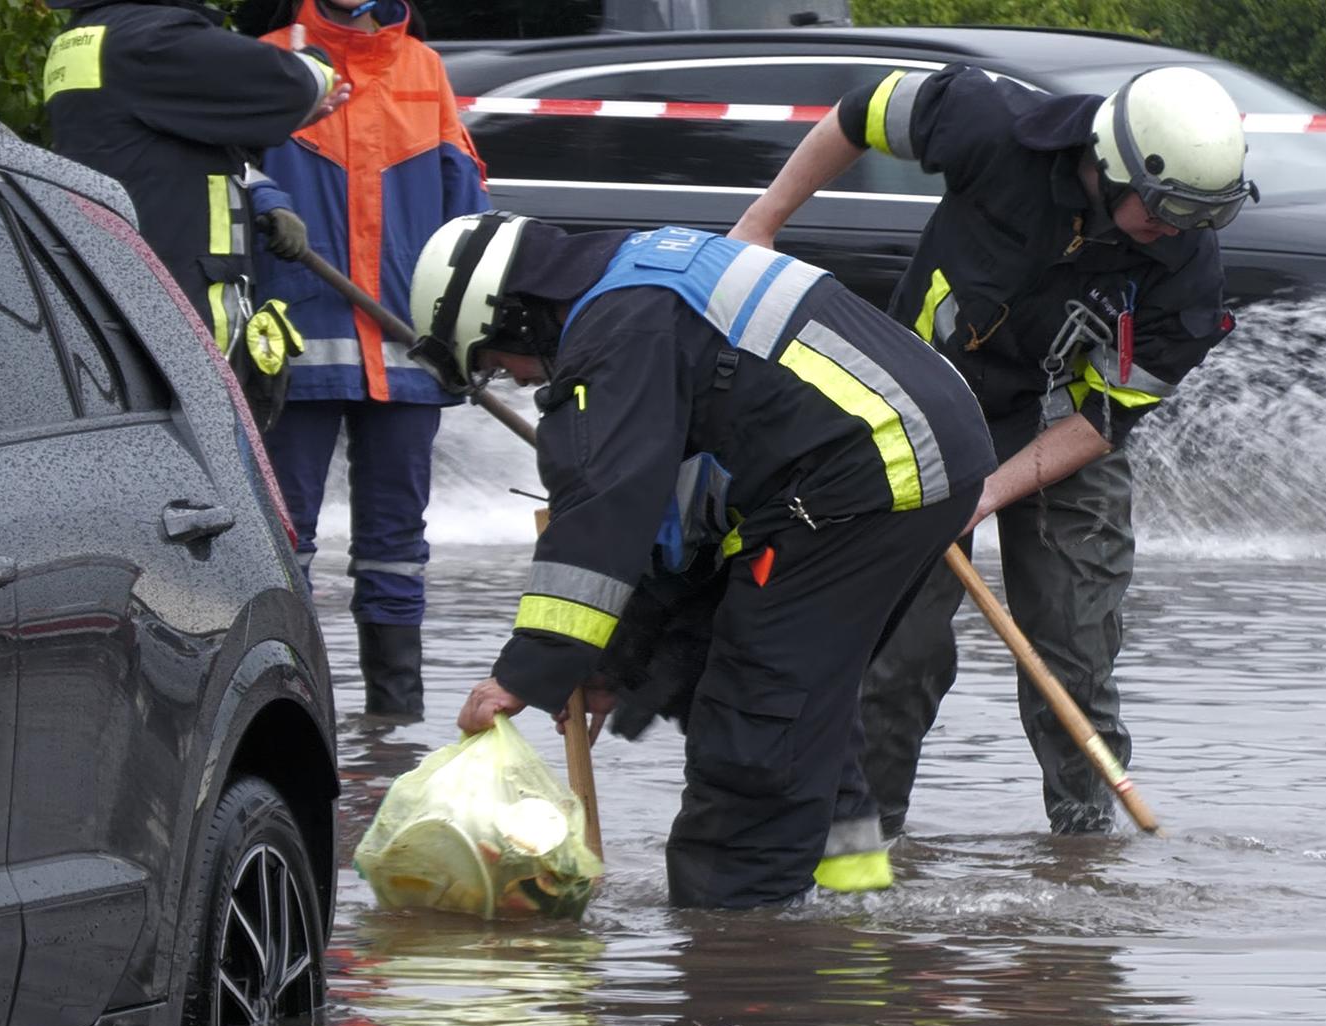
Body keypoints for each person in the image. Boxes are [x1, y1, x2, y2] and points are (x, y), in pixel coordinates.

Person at [407, 213, 997, 908]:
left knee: (756, 714)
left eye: (496, 362)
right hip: (912, 457)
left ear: (510, 317)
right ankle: (848, 900)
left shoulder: (617, 334)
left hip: (866, 475)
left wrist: (525, 671)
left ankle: (735, 944)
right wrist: (613, 663)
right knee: (791, 693)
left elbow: (603, 515)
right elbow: (671, 515)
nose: (511, 377)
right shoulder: (638, 278)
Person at [730, 65, 1253, 835]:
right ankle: (864, 848)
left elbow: (1103, 421)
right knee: (898, 656)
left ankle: (1084, 856)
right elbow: (857, 113)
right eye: (1168, 208)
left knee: (1074, 658)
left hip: (1059, 434)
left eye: (1202, 217)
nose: (1177, 230)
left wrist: (983, 496)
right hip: (916, 418)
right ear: (1112, 164)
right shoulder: (987, 122)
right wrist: (761, 225)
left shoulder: (1188, 269)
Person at [248, 0, 490, 722]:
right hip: (298, 340)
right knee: (282, 540)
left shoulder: (421, 68)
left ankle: (394, 727)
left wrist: (468, 329)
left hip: (407, 346)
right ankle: (287, 717)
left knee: (396, 550)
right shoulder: (269, 61)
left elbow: (465, 203)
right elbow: (229, 173)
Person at [42, 0, 345, 383]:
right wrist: (314, 61)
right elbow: (298, 83)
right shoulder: (152, 39)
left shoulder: (88, 37)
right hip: (182, 327)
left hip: (141, 305)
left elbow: (170, 142)